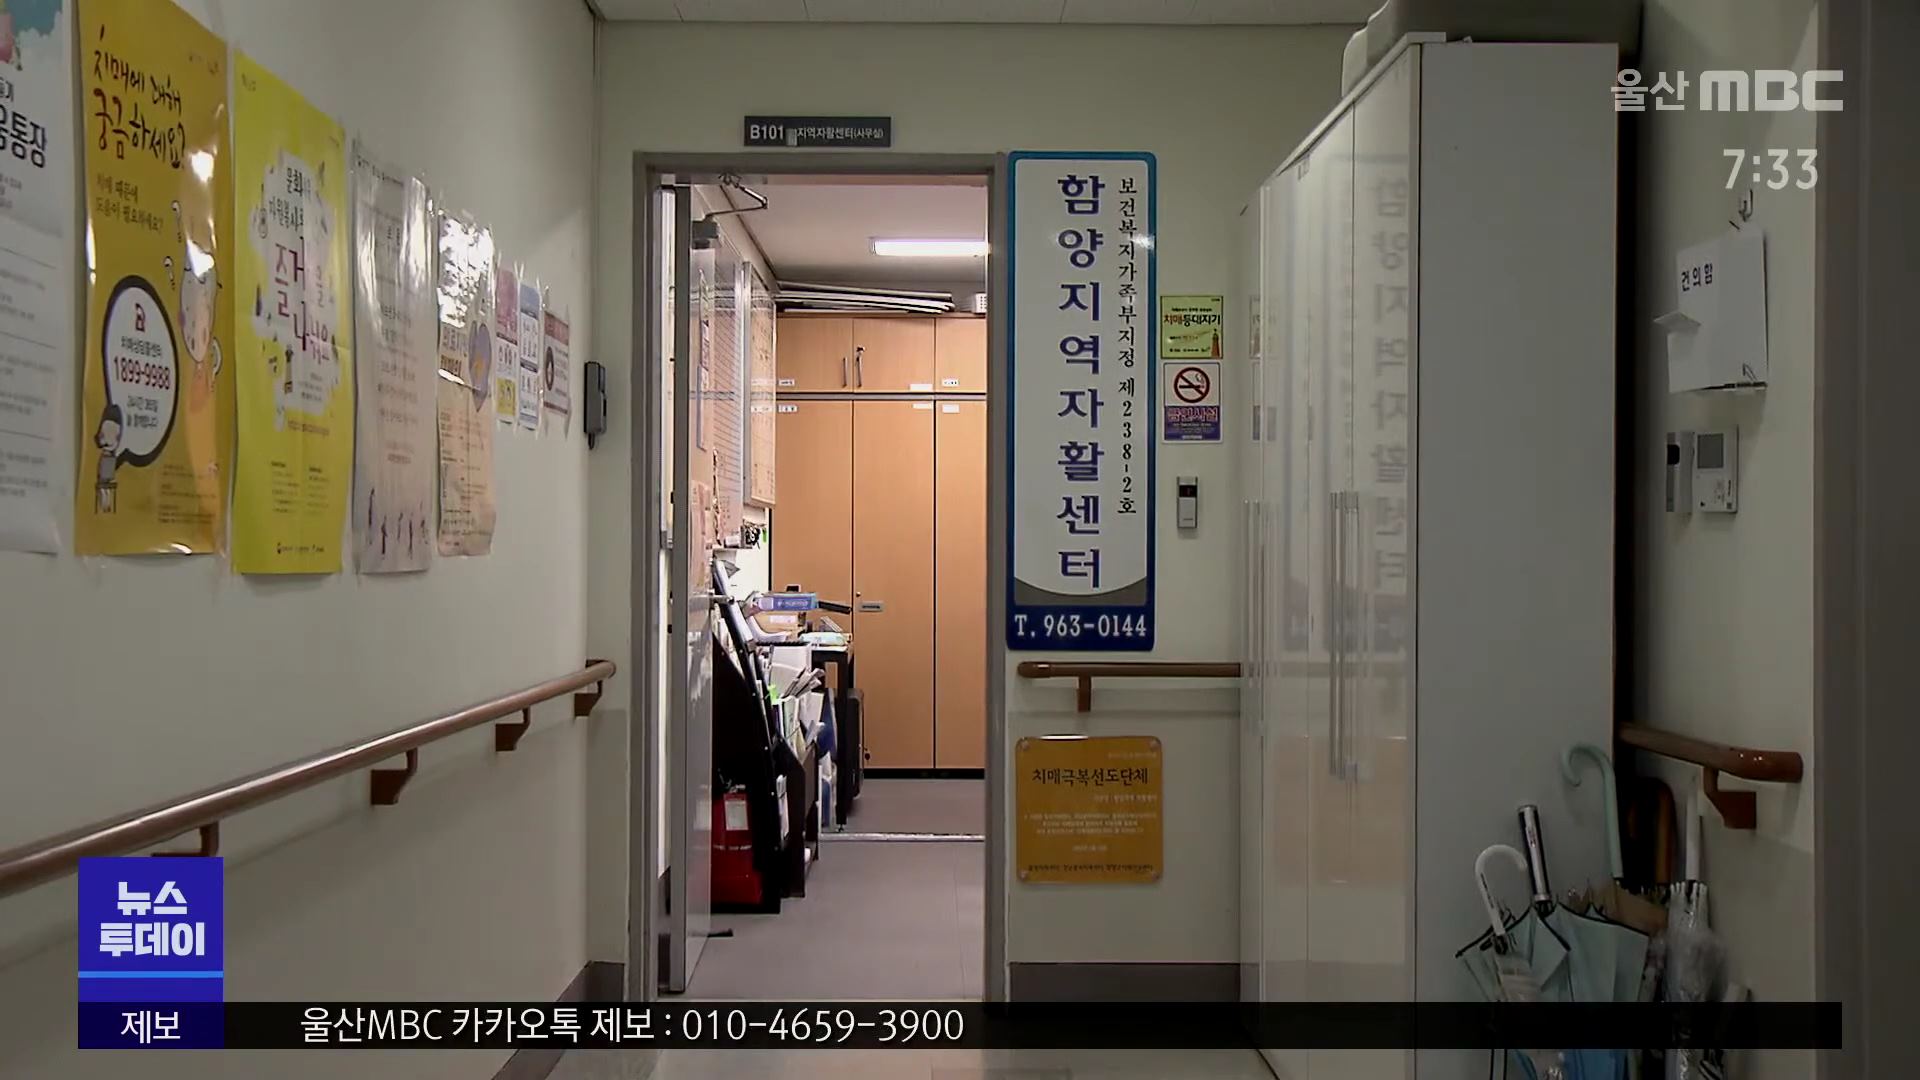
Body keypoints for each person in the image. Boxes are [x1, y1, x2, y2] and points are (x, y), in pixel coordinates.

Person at [93, 404, 123, 514]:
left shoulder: (106, 424)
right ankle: (107, 505)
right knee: (107, 482)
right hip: (112, 457)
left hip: (105, 455)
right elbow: (115, 443)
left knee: (101, 482)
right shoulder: (118, 427)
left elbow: (101, 441)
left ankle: (104, 506)